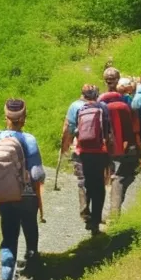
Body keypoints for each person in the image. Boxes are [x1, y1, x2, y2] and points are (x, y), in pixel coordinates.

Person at [0, 99, 45, 280]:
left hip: (4, 195)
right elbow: (37, 175)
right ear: (24, 118)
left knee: (9, 236)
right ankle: (32, 264)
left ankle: (6, 279)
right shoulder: (29, 139)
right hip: (26, 194)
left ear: (6, 118)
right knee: (29, 226)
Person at [99, 75, 140, 219]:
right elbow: (135, 130)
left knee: (106, 177)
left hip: (105, 147)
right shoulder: (126, 105)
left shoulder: (101, 105)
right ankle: (115, 212)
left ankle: (100, 214)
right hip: (125, 147)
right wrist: (138, 149)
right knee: (120, 178)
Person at [72, 85, 111, 235]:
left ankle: (86, 214)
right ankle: (95, 221)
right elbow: (108, 131)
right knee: (99, 185)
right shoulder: (103, 108)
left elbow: (76, 131)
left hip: (84, 152)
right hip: (100, 152)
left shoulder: (80, 110)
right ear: (97, 95)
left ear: (83, 96)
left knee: (87, 182)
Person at [60, 89, 90, 223]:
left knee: (83, 179)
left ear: (81, 94)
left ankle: (84, 210)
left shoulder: (74, 106)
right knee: (98, 179)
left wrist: (65, 145)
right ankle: (97, 211)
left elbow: (68, 128)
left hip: (80, 148)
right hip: (99, 149)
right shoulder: (100, 105)